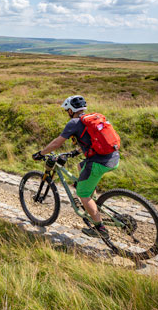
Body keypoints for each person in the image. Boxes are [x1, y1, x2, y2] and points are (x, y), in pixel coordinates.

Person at [34, 95, 120, 239]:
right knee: (82, 165)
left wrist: (41, 153)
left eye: (67, 110)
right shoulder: (92, 118)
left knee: (83, 194)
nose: (66, 112)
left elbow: (56, 143)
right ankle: (93, 199)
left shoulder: (74, 123)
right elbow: (93, 140)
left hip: (99, 163)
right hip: (114, 157)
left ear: (71, 110)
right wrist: (76, 152)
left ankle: (100, 229)